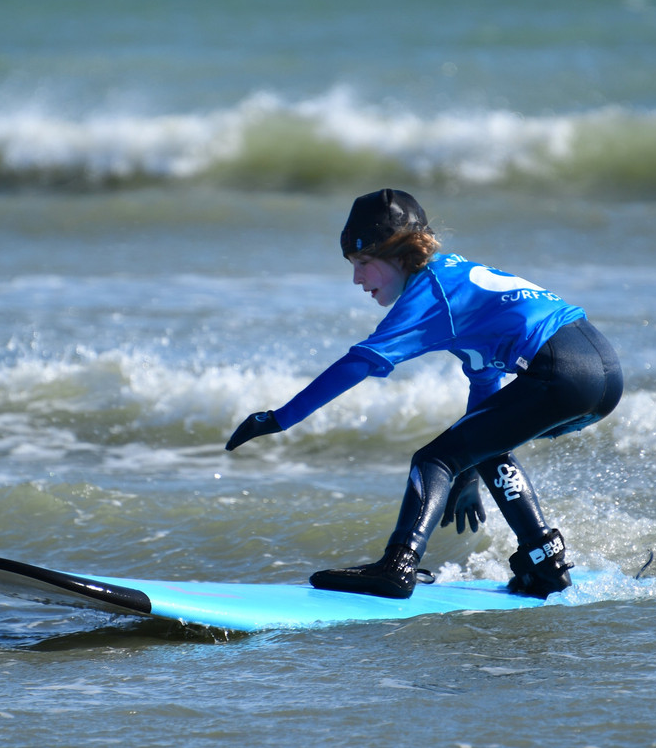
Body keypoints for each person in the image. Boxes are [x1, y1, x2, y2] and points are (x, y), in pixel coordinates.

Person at [225, 189, 623, 600]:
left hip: (560, 371)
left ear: (399, 254)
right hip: (602, 375)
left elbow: (359, 362)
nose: (357, 279)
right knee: (480, 440)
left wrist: (279, 417)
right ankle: (545, 563)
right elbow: (486, 389)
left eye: (364, 263)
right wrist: (468, 472)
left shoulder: (429, 291)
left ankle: (398, 565)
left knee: (433, 458)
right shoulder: (457, 277)